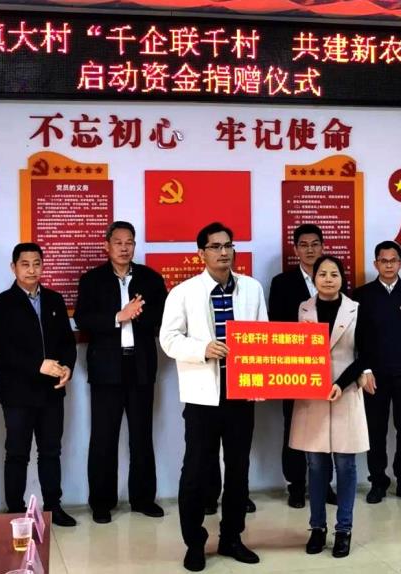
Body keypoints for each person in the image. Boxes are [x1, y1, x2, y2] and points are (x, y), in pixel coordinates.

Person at [160, 222, 267, 572]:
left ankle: (232, 537)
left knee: (238, 469)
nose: (224, 252)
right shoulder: (184, 292)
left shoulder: (252, 288)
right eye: (215, 246)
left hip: (241, 392)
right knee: (196, 470)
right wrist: (202, 349)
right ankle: (194, 542)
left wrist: (261, 382)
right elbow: (169, 339)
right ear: (201, 253)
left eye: (228, 245)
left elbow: (262, 336)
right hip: (202, 396)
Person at [74, 221, 167, 523]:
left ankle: (143, 499)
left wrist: (137, 315)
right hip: (107, 369)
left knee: (142, 435)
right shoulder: (92, 280)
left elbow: (163, 316)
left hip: (141, 366)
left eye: (129, 242)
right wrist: (118, 316)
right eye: (118, 242)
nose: (124, 248)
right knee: (104, 437)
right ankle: (101, 502)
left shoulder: (150, 279)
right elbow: (84, 319)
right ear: (107, 245)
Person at [0, 243, 77, 527]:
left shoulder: (54, 300)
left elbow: (67, 342)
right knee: (17, 453)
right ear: (13, 267)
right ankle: (15, 509)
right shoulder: (0, 304)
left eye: (36, 263)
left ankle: (53, 507)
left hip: (51, 391)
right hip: (18, 393)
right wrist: (37, 365)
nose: (31, 269)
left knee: (51, 452)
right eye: (25, 264)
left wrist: (67, 367)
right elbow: (2, 348)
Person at [290, 255, 369, 559]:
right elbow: (290, 348)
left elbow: (366, 354)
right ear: (314, 278)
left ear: (341, 278)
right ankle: (317, 527)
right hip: (311, 396)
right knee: (316, 465)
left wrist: (342, 383)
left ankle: (344, 530)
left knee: (346, 466)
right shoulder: (303, 308)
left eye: (333, 274)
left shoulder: (356, 309)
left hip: (345, 393)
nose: (327, 279)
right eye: (322, 274)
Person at [352, 241, 401, 504]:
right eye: (383, 261)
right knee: (375, 432)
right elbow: (357, 337)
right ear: (375, 264)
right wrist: (364, 370)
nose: (389, 265)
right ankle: (378, 482)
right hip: (374, 375)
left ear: (400, 263)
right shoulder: (362, 295)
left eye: (393, 260)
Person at [268, 224, 336, 509]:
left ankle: (324, 484)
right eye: (304, 245)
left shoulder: (333, 277)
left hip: (329, 364)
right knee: (294, 426)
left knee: (325, 425)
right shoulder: (282, 282)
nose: (310, 249)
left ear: (323, 247)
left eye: (315, 244)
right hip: (294, 364)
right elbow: (275, 324)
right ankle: (295, 485)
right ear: (296, 249)